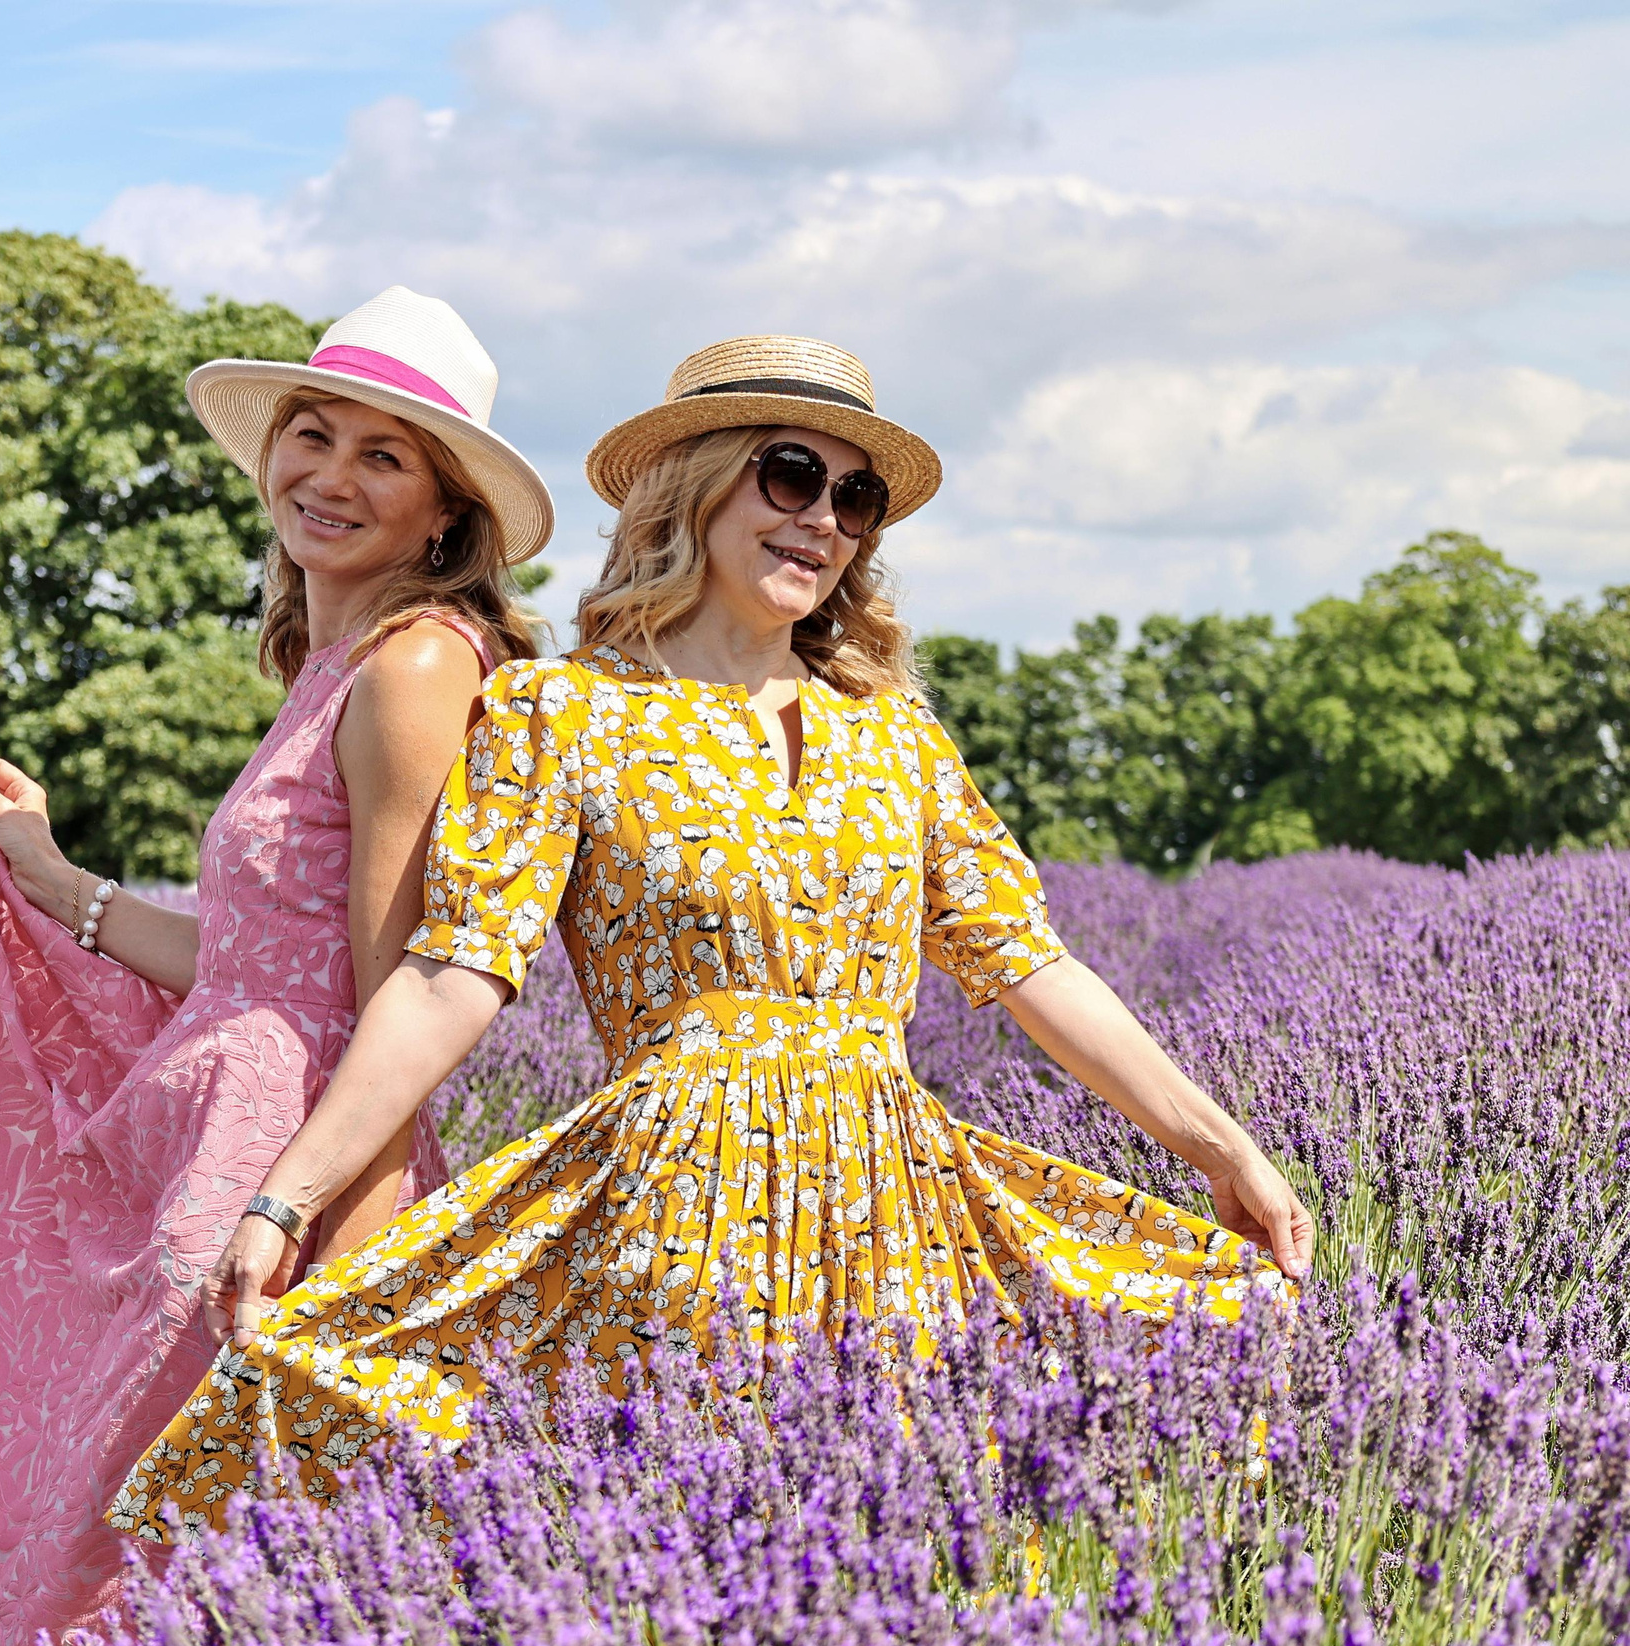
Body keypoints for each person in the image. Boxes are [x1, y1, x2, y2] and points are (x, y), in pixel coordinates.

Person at [110, 335, 1316, 1536]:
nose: (825, 520)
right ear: (695, 485)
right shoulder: (564, 713)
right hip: (669, 1225)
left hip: (891, 1221)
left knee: (895, 1558)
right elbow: (448, 973)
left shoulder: (894, 740)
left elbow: (1031, 963)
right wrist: (282, 1203)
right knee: (667, 1547)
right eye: (791, 476)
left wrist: (1222, 1151)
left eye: (856, 498)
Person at [0, 286, 554, 1646]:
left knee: (157, 1550)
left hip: (278, 1176)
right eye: (311, 432)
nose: (328, 475)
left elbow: (394, 990)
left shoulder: (415, 667)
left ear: (447, 516)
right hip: (210, 1144)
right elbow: (249, 964)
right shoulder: (335, 660)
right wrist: (52, 877)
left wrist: (344, 1244)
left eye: (382, 455)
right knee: (125, 1537)